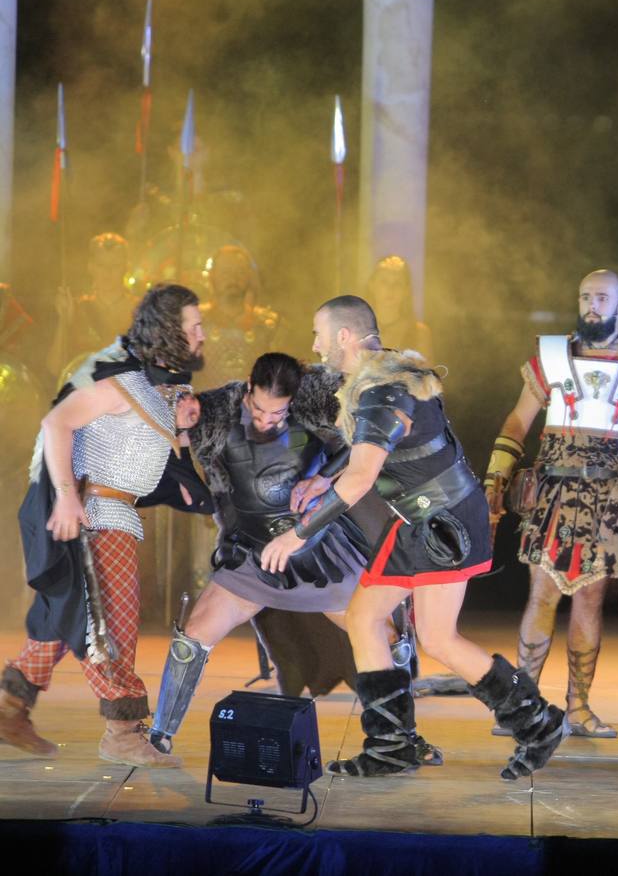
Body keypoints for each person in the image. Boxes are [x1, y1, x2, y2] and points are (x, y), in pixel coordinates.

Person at [259, 296, 565, 779]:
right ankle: (392, 745)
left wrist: (298, 536)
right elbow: (368, 450)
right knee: (366, 619)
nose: (314, 345)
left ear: (344, 336)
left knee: (436, 637)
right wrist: (323, 479)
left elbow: (361, 480)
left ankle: (536, 723)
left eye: (319, 333)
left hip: (440, 523)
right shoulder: (386, 378)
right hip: (423, 519)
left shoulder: (382, 390)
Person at [147, 352, 434, 758]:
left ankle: (402, 736)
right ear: (248, 388)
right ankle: (159, 734)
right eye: (260, 410)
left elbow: (362, 441)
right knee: (191, 638)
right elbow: (154, 416)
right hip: (251, 555)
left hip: (319, 550)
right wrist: (175, 424)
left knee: (384, 637)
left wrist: (322, 476)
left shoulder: (316, 400)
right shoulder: (216, 409)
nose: (266, 421)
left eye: (277, 413)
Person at [0, 285, 207, 766]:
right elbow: (57, 424)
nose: (202, 334)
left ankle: (10, 708)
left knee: (61, 622)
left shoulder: (152, 389)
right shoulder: (120, 384)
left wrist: (178, 421)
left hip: (115, 515)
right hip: (97, 518)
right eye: (194, 325)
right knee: (109, 624)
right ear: (170, 332)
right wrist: (68, 499)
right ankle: (123, 732)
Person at [483, 269, 618, 738]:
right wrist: (496, 472)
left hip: (611, 499)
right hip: (553, 493)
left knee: (590, 601)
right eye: (584, 297)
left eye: (602, 297)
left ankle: (578, 708)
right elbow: (519, 419)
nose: (591, 305)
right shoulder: (552, 356)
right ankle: (522, 707)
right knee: (541, 595)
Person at [47, 233, 142, 382]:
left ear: (126, 267)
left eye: (115, 265)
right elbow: (55, 368)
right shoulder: (77, 308)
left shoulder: (142, 311)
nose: (107, 272)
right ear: (90, 266)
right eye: (101, 265)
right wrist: (63, 320)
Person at [196, 246, 281, 386]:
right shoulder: (194, 325)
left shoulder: (269, 326)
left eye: (239, 272)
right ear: (212, 276)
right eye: (225, 272)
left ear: (249, 277)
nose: (232, 278)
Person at [365, 256, 433, 356]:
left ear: (406, 290)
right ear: (372, 285)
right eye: (384, 282)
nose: (390, 288)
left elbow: (427, 371)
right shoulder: (356, 331)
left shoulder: (419, 333)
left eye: (398, 283)